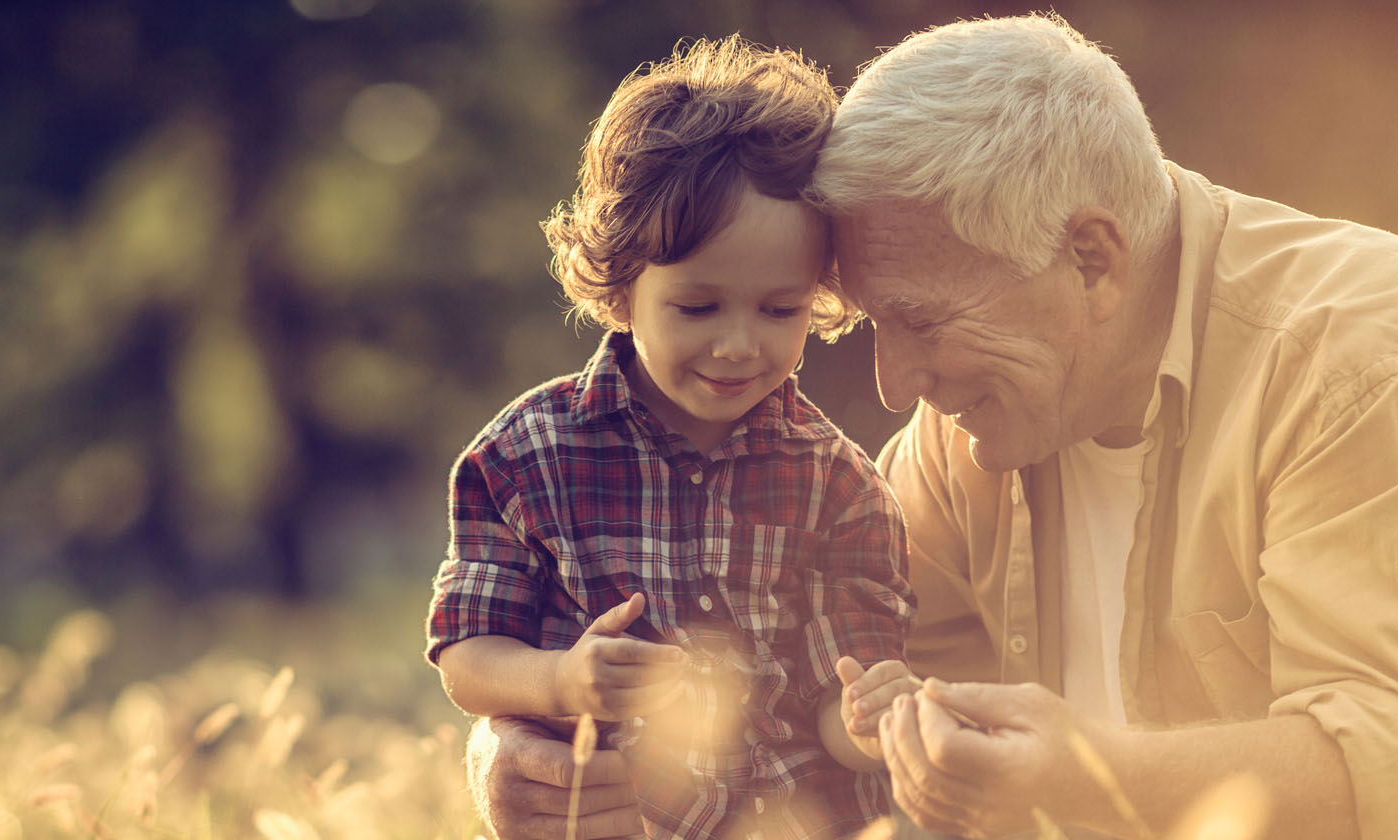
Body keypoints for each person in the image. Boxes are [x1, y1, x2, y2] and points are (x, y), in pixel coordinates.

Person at [469, 12, 1398, 840]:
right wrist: (521, 752)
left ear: (1091, 258)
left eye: (921, 321)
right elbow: (811, 711)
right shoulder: (958, 445)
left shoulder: (1353, 363)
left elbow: (1383, 747)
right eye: (875, 323)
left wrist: (1096, 780)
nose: (893, 383)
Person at [425, 36, 919, 840]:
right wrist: (560, 682)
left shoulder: (840, 484)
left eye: (780, 309)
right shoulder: (525, 457)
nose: (738, 345)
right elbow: (466, 655)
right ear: (622, 288)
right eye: (698, 308)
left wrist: (867, 725)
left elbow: (836, 698)